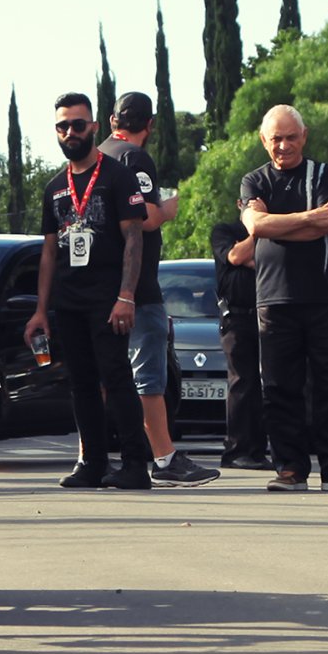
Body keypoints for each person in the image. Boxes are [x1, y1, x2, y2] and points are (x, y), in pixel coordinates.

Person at [26, 92, 155, 490]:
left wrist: (126, 296)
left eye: (78, 125)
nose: (70, 132)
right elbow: (49, 252)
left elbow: (134, 238)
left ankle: (135, 464)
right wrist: (41, 310)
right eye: (62, 126)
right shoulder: (54, 187)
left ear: (94, 127)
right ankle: (93, 463)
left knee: (116, 377)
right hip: (68, 301)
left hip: (108, 298)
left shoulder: (118, 176)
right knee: (81, 383)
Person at [240, 105, 328, 492]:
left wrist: (276, 223)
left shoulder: (323, 174)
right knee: (279, 387)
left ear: (304, 136)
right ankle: (290, 468)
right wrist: (307, 218)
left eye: (291, 137)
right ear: (264, 140)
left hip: (321, 297)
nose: (284, 145)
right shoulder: (254, 180)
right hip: (273, 299)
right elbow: (255, 225)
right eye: (276, 138)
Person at [99, 91, 217, 487]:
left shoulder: (97, 157)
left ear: (112, 120)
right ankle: (165, 458)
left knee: (105, 375)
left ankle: (91, 455)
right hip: (137, 288)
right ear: (149, 125)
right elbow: (145, 216)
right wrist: (169, 208)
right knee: (148, 376)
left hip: (101, 286)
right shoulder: (133, 158)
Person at [211, 209, 269, 469]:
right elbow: (235, 256)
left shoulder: (275, 233)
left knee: (265, 385)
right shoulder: (224, 231)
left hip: (265, 315)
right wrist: (259, 231)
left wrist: (252, 258)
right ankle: (236, 450)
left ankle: (257, 450)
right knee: (242, 382)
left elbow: (269, 263)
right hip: (236, 316)